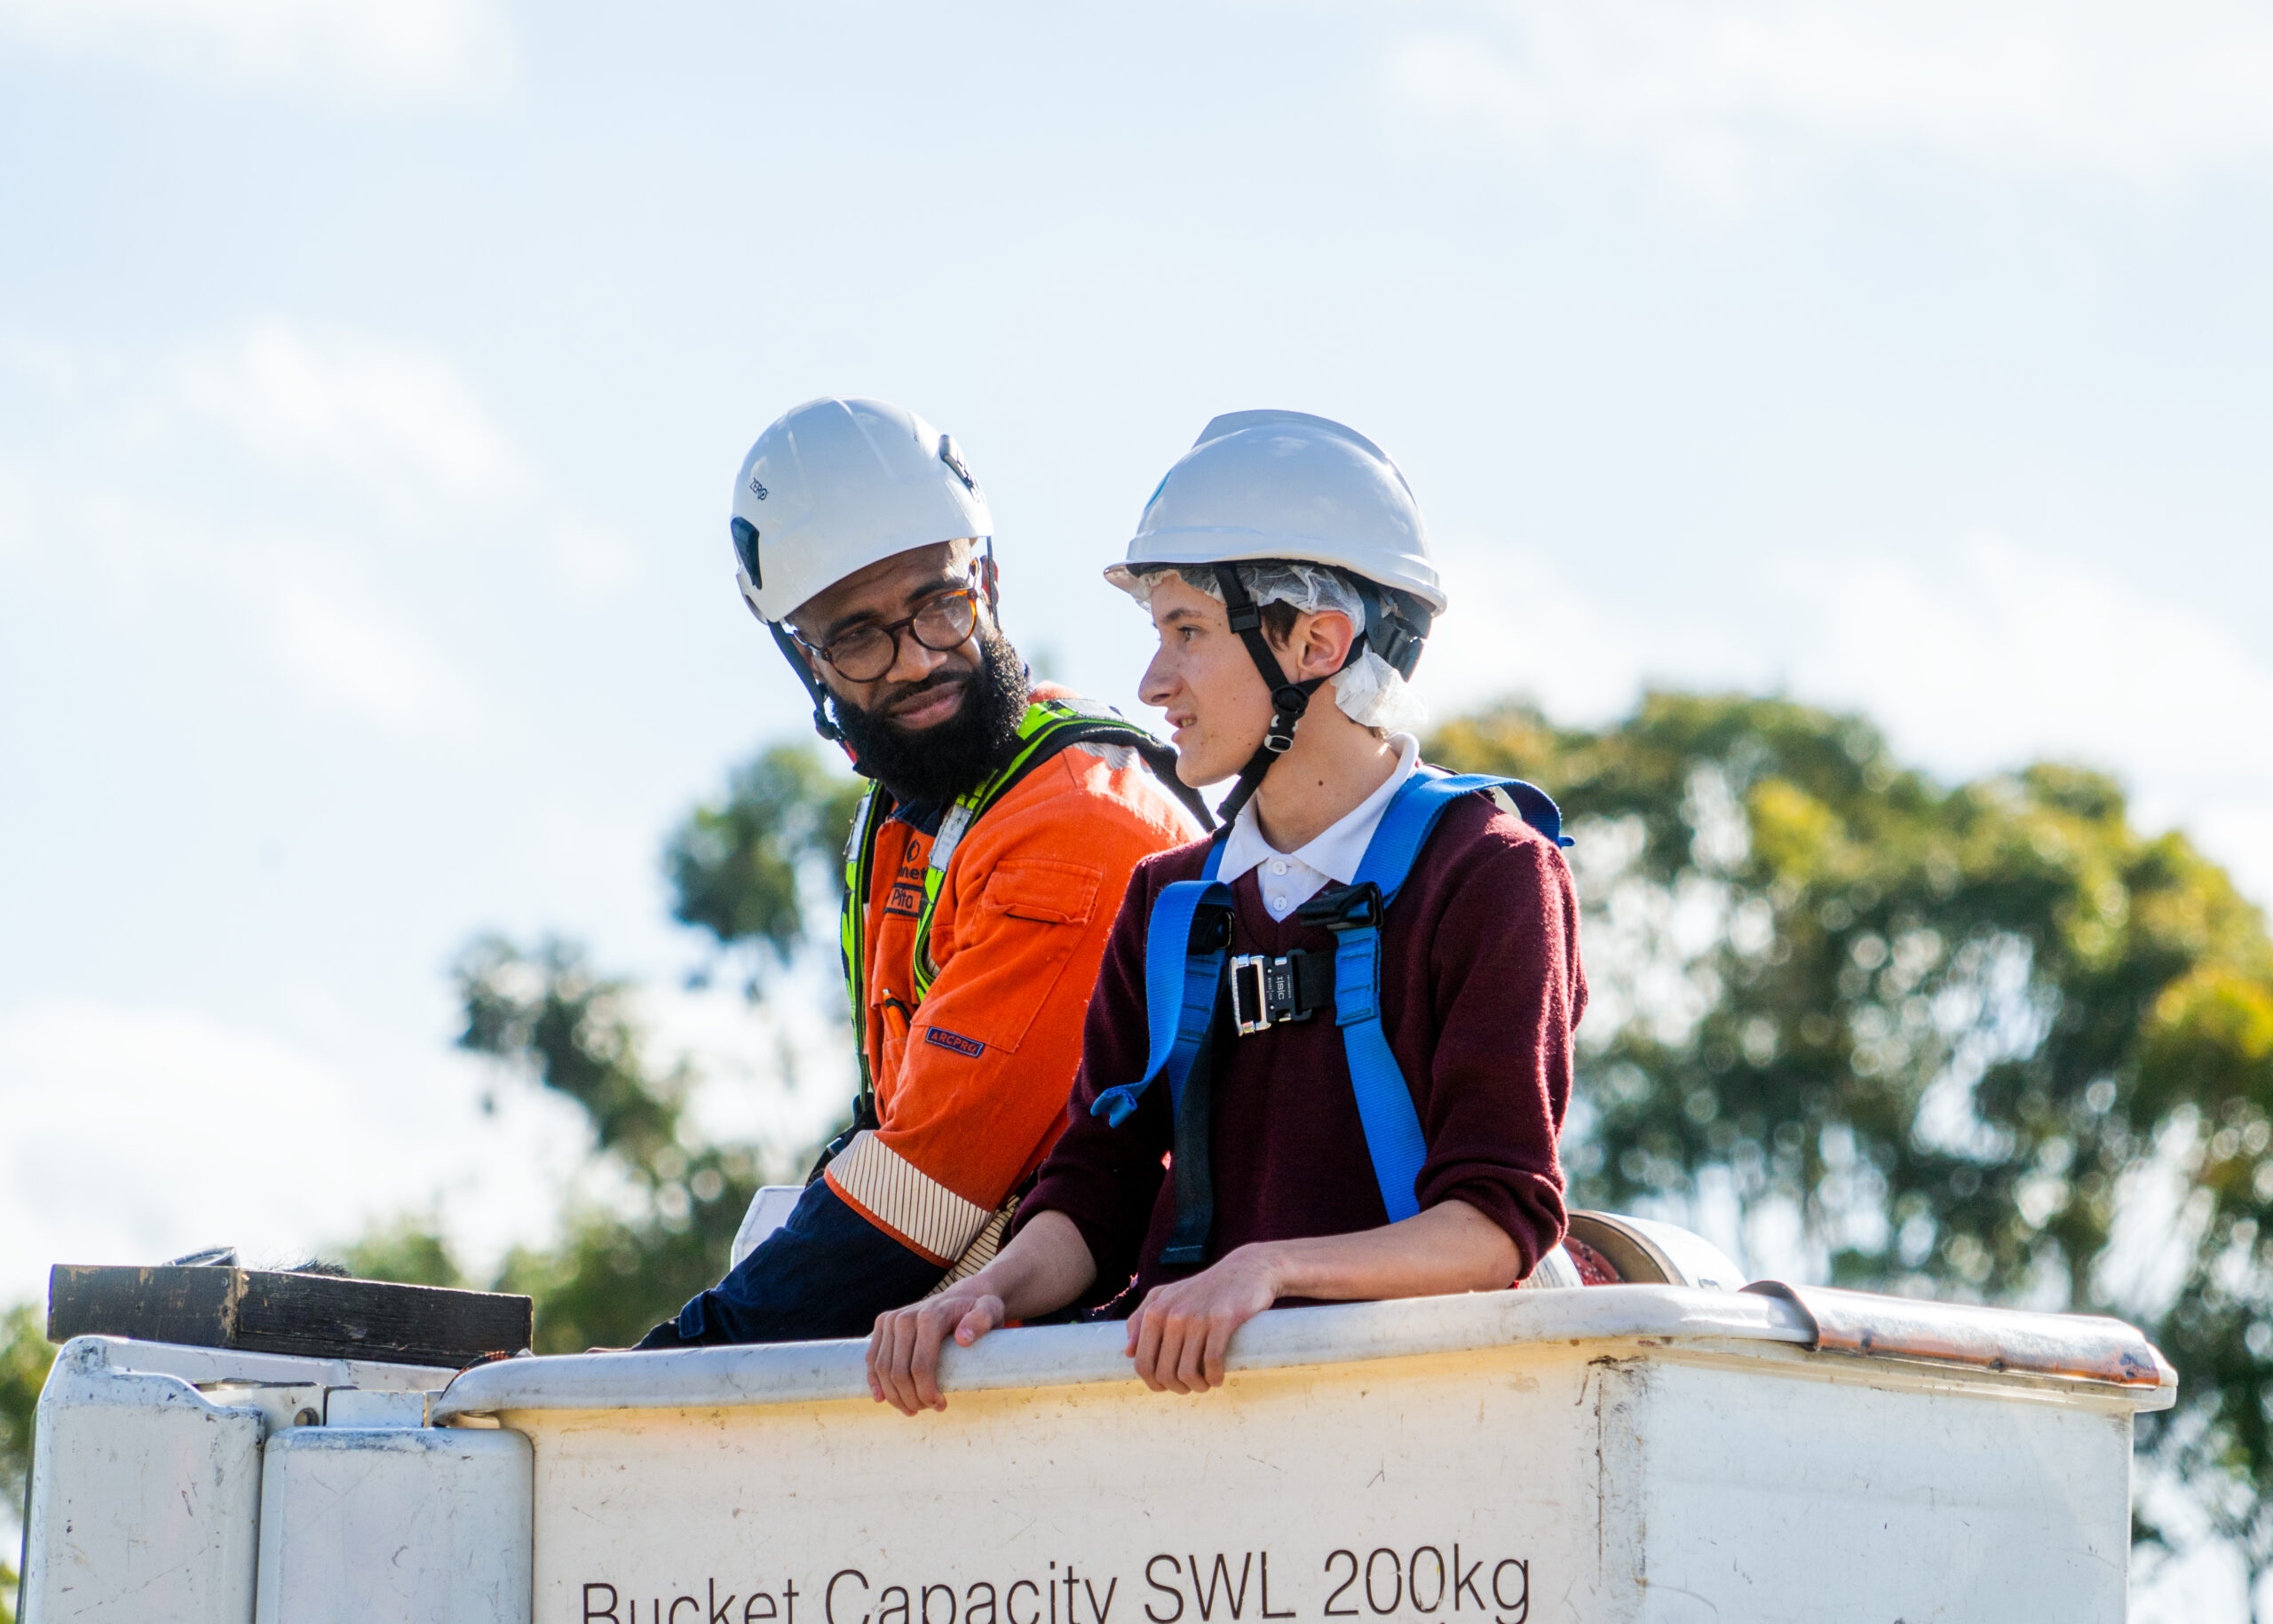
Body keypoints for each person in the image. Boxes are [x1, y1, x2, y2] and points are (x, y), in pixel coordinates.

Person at [866, 409, 1586, 1411]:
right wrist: (979, 1295)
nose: (1152, 681)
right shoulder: (1166, 902)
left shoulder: (1489, 875)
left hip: (1421, 1439)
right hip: (1193, 1448)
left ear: (1316, 643)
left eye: (1188, 632)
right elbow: (1095, 1193)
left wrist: (1268, 1270)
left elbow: (1496, 1221)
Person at [637, 398, 1207, 1348]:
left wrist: (666, 1366)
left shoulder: (1076, 820)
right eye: (857, 636)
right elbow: (890, 1138)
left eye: (939, 605)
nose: (915, 663)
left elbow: (920, 1196)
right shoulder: (922, 807)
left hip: (1132, 1346)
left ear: (985, 575)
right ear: (802, 655)